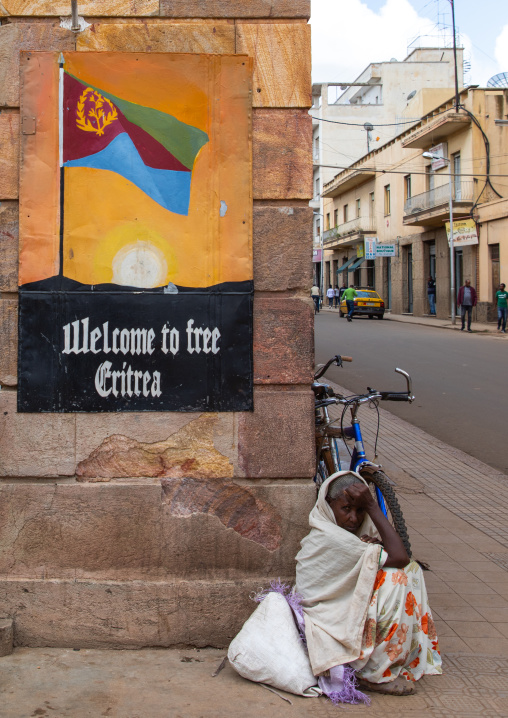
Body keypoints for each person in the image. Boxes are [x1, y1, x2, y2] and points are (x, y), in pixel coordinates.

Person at [296, 472, 442, 697]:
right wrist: (373, 507)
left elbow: (400, 558)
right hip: (330, 620)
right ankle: (373, 674)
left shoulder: (359, 535)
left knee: (412, 571)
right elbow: (399, 557)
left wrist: (376, 549)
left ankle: (397, 657)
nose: (354, 518)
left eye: (360, 510)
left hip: (349, 613)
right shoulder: (329, 537)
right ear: (328, 506)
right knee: (397, 577)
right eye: (346, 509)